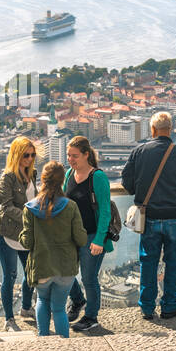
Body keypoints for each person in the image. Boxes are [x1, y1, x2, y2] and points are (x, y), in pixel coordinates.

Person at [120, 112, 176, 320]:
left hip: (150, 216)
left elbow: (127, 185)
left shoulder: (139, 152)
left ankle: (147, 307)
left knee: (149, 261)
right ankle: (169, 305)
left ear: (153, 130)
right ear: (170, 130)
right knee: (174, 261)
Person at [20, 161, 87, 337]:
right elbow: (81, 238)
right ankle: (64, 344)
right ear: (62, 181)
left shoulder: (30, 209)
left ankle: (45, 341)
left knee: (42, 300)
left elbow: (26, 242)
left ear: (43, 180)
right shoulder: (71, 206)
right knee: (59, 308)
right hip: (65, 267)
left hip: (42, 266)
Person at [63, 136, 115, 331]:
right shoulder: (69, 174)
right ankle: (77, 300)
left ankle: (91, 316)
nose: (70, 159)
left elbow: (105, 211)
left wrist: (100, 240)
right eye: (68, 155)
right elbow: (63, 202)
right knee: (64, 272)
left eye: (75, 156)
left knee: (88, 278)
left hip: (92, 236)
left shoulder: (98, 177)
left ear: (86, 155)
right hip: (71, 236)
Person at [0, 136, 39, 325]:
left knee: (30, 273)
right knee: (10, 276)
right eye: (25, 155)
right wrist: (29, 216)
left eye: (32, 155)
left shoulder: (33, 173)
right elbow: (6, 207)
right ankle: (8, 318)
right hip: (8, 233)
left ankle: (26, 308)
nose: (29, 159)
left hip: (26, 233)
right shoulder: (8, 178)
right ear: (16, 155)